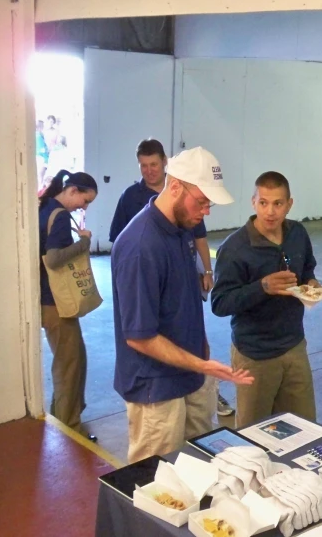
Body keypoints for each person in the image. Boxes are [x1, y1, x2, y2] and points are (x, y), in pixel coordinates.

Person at [111, 146, 253, 462]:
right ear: (175, 186)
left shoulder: (181, 230)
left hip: (192, 374)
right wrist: (202, 366)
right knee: (158, 484)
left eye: (209, 203)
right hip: (156, 388)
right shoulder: (140, 246)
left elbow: (185, 300)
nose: (206, 211)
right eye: (201, 201)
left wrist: (201, 357)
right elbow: (138, 336)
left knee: (200, 466)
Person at [211, 172, 320, 428]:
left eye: (278, 204)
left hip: (294, 347)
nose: (270, 211)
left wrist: (311, 284)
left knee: (303, 428)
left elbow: (307, 270)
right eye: (263, 203)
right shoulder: (235, 248)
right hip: (255, 355)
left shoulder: (297, 234)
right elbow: (220, 303)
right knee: (253, 434)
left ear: (289, 204)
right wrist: (262, 287)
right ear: (253, 202)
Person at [38, 169, 99, 440]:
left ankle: (62, 417)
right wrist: (84, 242)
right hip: (55, 301)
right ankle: (69, 428)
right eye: (85, 201)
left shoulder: (46, 206)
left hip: (47, 299)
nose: (84, 207)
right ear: (72, 191)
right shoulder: (61, 216)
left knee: (73, 359)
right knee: (68, 364)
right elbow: (53, 259)